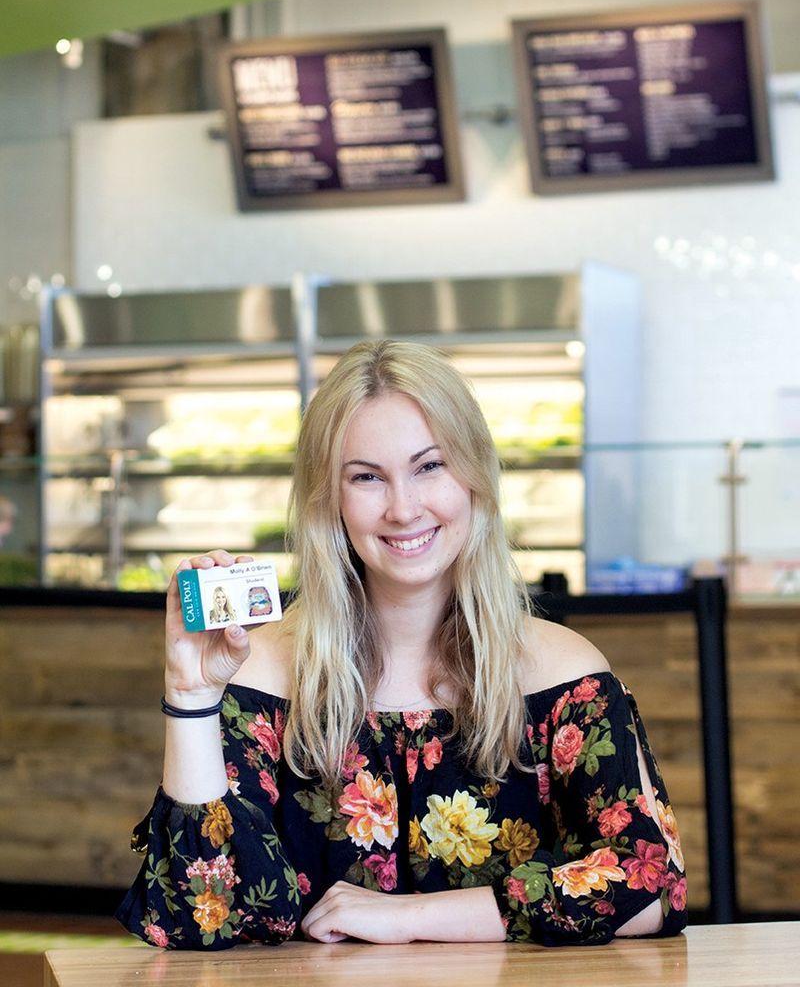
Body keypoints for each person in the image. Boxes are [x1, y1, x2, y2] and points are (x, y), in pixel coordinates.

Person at [116, 340, 687, 950]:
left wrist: (409, 917)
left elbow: (650, 886)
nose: (403, 508)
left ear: (474, 477)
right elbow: (198, 915)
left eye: (430, 466)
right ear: (326, 501)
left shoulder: (562, 673)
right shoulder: (263, 674)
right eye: (367, 477)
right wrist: (193, 696)